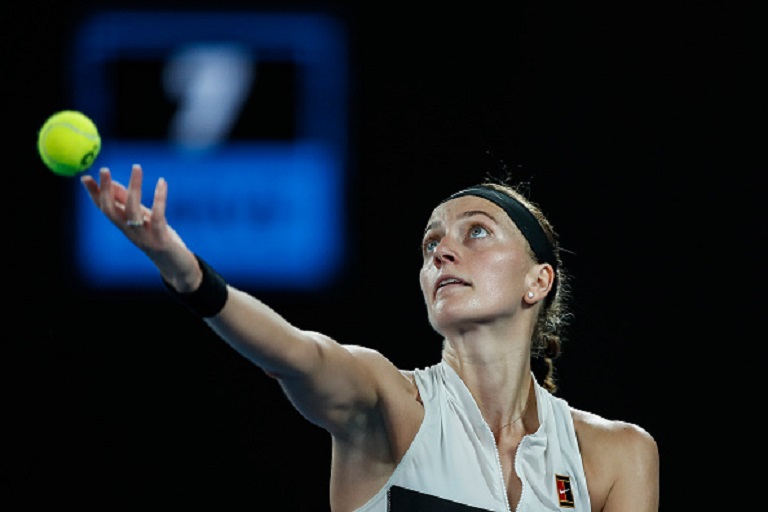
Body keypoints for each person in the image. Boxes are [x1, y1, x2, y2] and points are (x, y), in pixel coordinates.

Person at [81, 163, 659, 511]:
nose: (443, 252)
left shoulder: (615, 455)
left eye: (476, 232)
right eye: (431, 246)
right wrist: (185, 273)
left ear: (538, 281)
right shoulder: (389, 405)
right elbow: (296, 354)